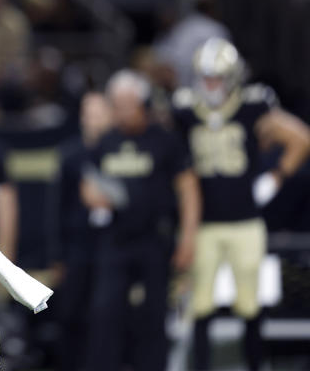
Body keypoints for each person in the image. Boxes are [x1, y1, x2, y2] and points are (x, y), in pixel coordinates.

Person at [172, 37, 310, 371]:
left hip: (246, 221)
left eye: (217, 77)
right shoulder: (186, 109)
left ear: (233, 77)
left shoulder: (253, 105)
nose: (210, 85)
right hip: (206, 222)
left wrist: (275, 177)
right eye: (205, 78)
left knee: (249, 304)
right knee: (200, 306)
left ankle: (254, 366)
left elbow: (300, 138)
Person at [81, 70, 201, 371]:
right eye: (117, 105)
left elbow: (188, 189)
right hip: (115, 239)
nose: (122, 112)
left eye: (128, 105)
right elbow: (88, 182)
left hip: (154, 238)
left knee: (154, 313)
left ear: (143, 104)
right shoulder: (106, 140)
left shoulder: (165, 141)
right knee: (106, 311)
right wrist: (96, 197)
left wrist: (188, 238)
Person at [56, 92, 113, 371]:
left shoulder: (119, 152)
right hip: (77, 246)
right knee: (71, 312)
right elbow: (57, 208)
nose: (92, 121)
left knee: (104, 315)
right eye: (87, 114)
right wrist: (58, 255)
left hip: (111, 246)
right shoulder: (70, 156)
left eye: (98, 114)